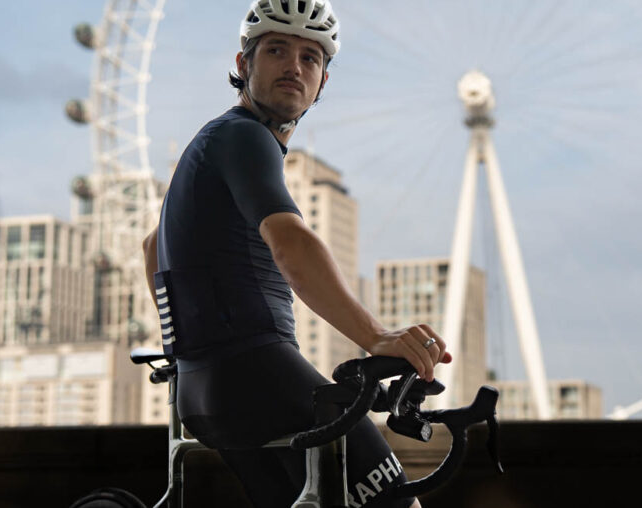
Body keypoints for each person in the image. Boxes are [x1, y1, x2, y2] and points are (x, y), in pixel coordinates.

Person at [140, 1, 450, 507]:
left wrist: (185, 346)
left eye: (310, 58)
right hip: (260, 374)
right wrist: (376, 336)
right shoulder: (244, 136)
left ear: (323, 81)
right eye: (276, 50)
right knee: (396, 502)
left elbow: (154, 246)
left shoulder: (214, 142)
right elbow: (290, 242)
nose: (294, 66)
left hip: (203, 393)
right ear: (243, 64)